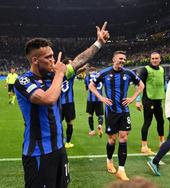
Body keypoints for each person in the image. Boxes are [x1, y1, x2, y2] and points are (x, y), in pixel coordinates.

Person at [14, 22, 109, 187]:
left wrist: (98, 43)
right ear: (35, 60)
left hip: (59, 148)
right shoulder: (23, 80)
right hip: (38, 153)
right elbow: (46, 98)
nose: (53, 61)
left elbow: (79, 60)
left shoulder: (53, 75)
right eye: (48, 57)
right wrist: (59, 73)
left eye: (53, 56)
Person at [89, 51, 144, 181]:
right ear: (113, 59)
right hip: (111, 111)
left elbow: (141, 85)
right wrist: (101, 97)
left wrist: (133, 98)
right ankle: (109, 160)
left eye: (124, 59)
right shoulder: (104, 73)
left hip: (124, 111)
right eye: (120, 58)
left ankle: (121, 170)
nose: (123, 61)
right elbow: (92, 86)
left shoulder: (128, 73)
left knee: (123, 138)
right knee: (112, 140)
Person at [135, 52, 167, 155]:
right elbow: (139, 85)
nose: (154, 60)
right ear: (150, 59)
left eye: (156, 58)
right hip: (148, 100)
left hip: (158, 99)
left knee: (161, 121)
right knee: (147, 122)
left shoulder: (162, 70)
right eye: (153, 58)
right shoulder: (145, 70)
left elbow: (164, 84)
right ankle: (144, 146)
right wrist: (138, 100)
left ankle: (162, 143)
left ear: (160, 59)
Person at [61, 58, 87, 149]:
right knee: (70, 123)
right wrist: (85, 63)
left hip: (58, 103)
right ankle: (68, 142)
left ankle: (60, 141)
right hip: (69, 103)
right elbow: (82, 68)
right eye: (71, 63)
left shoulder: (56, 75)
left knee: (57, 123)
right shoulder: (71, 74)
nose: (73, 64)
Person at [85, 66, 104, 137]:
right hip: (99, 99)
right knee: (100, 115)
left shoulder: (88, 77)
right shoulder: (100, 76)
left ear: (90, 71)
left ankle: (92, 130)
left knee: (90, 115)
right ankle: (100, 125)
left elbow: (87, 87)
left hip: (90, 100)